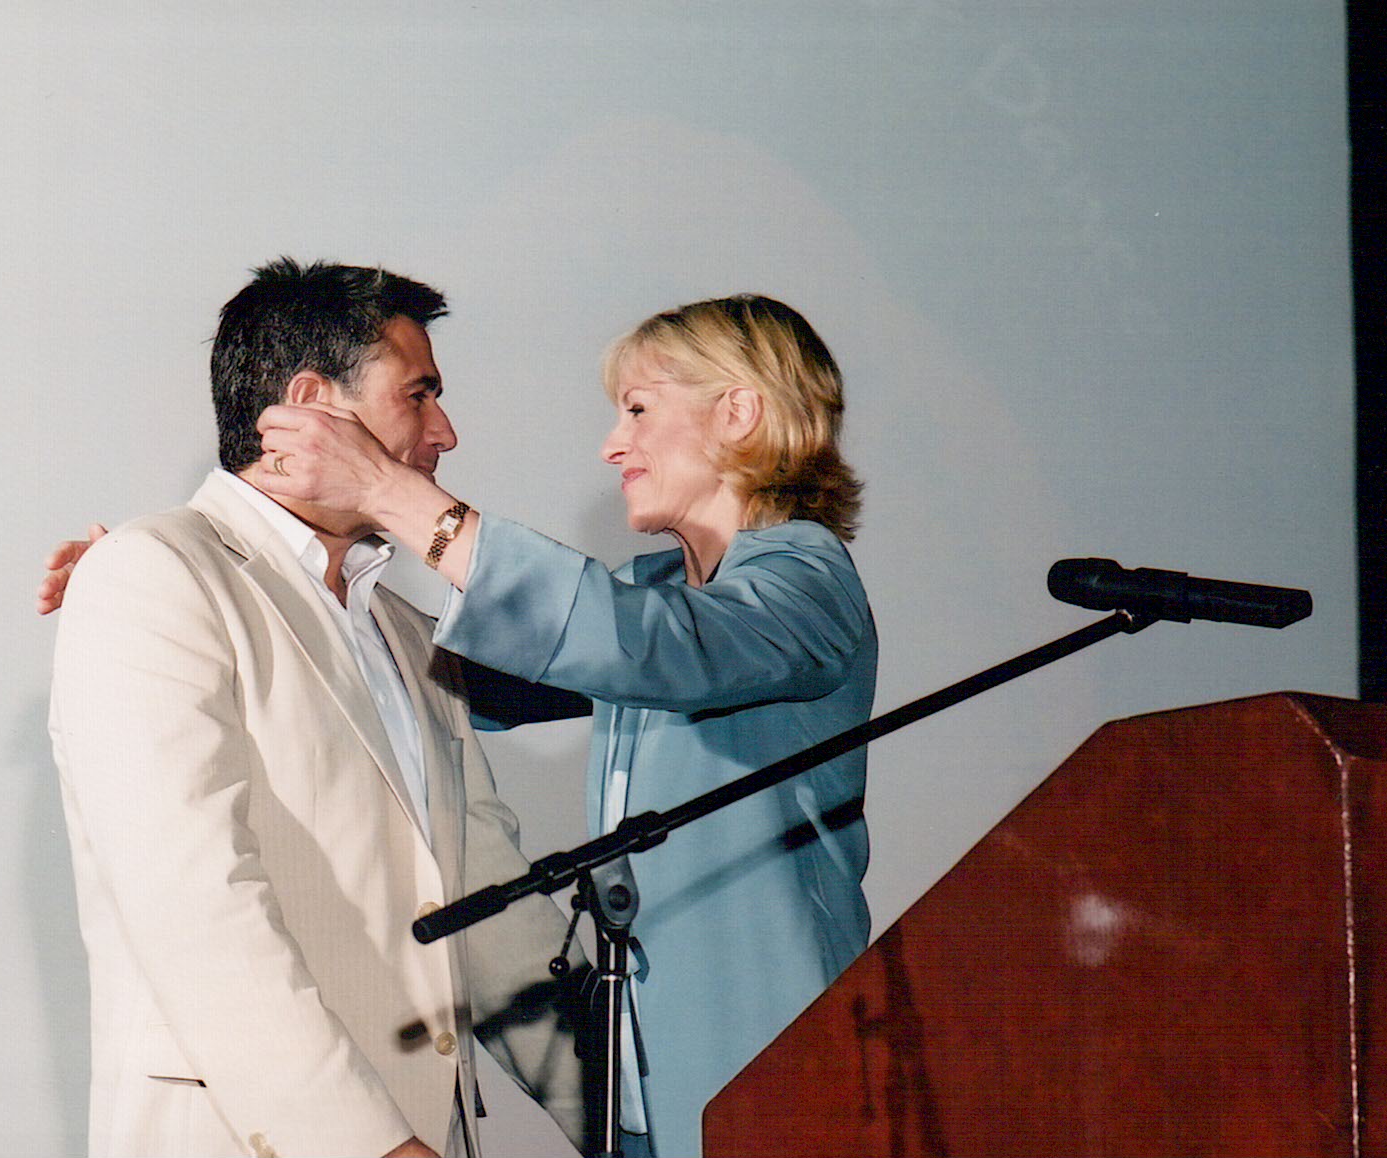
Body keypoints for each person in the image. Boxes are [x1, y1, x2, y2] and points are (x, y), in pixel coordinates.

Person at [250, 294, 877, 1158]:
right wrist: (229, 582)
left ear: (738, 412)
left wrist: (395, 497)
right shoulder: (658, 594)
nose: (612, 445)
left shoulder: (807, 579)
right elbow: (444, 677)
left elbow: (644, 647)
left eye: (638, 410)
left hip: (779, 1074)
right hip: (645, 1092)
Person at [46, 259, 585, 1158]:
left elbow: (485, 903)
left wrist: (652, 1122)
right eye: (420, 394)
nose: (445, 432)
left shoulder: (409, 634)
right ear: (311, 405)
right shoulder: (152, 575)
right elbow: (198, 911)